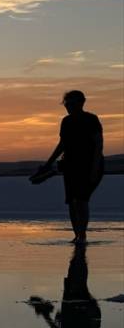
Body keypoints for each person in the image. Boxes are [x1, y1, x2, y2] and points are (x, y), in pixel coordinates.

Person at [38, 90, 104, 245]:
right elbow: (62, 145)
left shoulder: (91, 119)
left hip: (89, 166)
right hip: (70, 166)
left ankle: (82, 235)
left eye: (72, 104)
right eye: (67, 104)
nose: (69, 107)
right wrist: (48, 164)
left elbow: (98, 144)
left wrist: (95, 168)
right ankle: (77, 235)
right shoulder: (66, 122)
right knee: (72, 202)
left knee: (81, 200)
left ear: (81, 103)